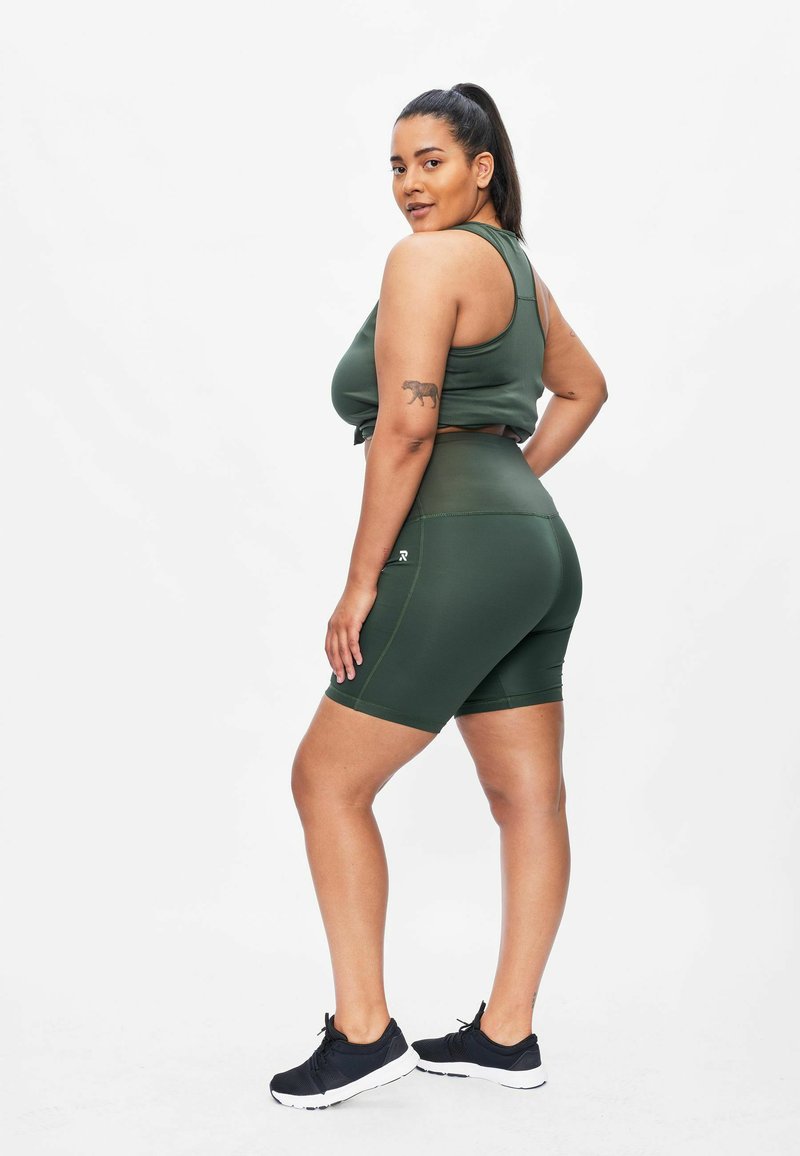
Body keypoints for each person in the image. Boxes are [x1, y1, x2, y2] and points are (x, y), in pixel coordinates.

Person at [269, 83, 608, 1109]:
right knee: (527, 797)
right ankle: (506, 1035)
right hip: (534, 544)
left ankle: (362, 1032)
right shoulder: (518, 271)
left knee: (326, 781)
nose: (409, 185)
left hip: (454, 541)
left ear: (480, 167)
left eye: (430, 162)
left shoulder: (425, 262)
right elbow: (585, 387)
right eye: (396, 166)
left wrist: (360, 582)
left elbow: (408, 430)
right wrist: (508, 494)